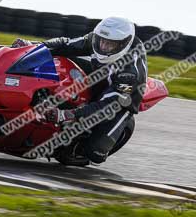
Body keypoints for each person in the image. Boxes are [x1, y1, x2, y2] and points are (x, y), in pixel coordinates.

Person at [11, 16, 148, 164]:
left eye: (110, 45)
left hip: (121, 101)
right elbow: (66, 43)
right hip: (104, 71)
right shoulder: (98, 39)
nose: (103, 47)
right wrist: (33, 46)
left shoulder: (131, 73)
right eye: (102, 41)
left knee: (95, 154)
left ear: (123, 44)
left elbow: (108, 106)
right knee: (61, 55)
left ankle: (78, 143)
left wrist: (65, 114)